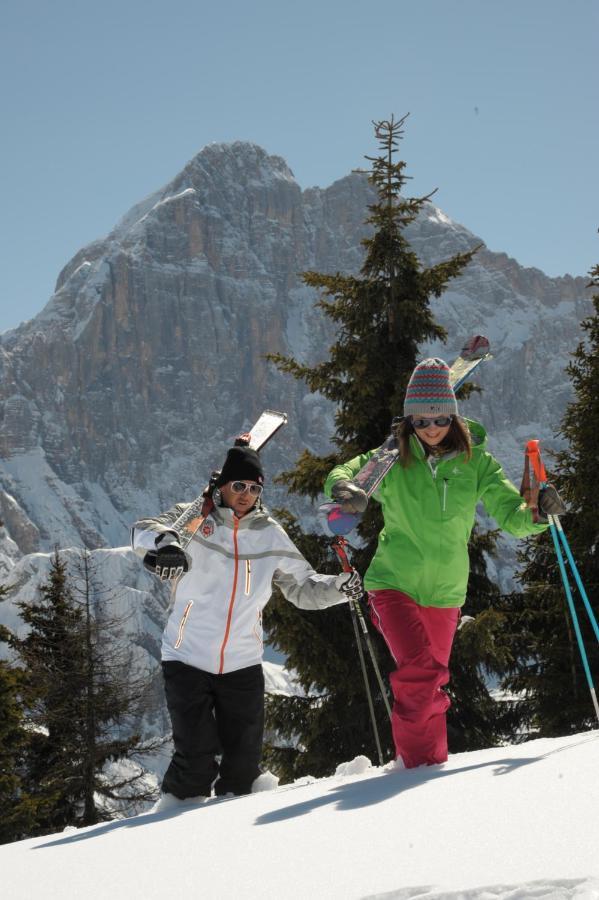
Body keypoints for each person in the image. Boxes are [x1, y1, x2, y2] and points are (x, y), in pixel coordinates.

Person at [324, 357, 564, 770]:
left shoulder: (478, 464)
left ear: (453, 417)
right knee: (418, 673)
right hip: (393, 583)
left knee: (429, 681)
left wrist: (540, 515)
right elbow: (344, 472)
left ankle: (422, 765)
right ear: (409, 422)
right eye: (420, 421)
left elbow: (512, 516)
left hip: (446, 593)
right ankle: (418, 773)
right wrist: (344, 487)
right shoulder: (392, 461)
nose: (430, 428)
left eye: (438, 419)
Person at [131, 443, 362, 810]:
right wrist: (167, 545)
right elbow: (144, 531)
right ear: (222, 486)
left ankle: (232, 844)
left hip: (242, 661)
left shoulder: (269, 533)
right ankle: (172, 830)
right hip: (187, 656)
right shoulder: (195, 519)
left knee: (243, 766)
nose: (246, 495)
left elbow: (301, 587)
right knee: (195, 760)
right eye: (238, 486)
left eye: (254, 489)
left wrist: (339, 587)